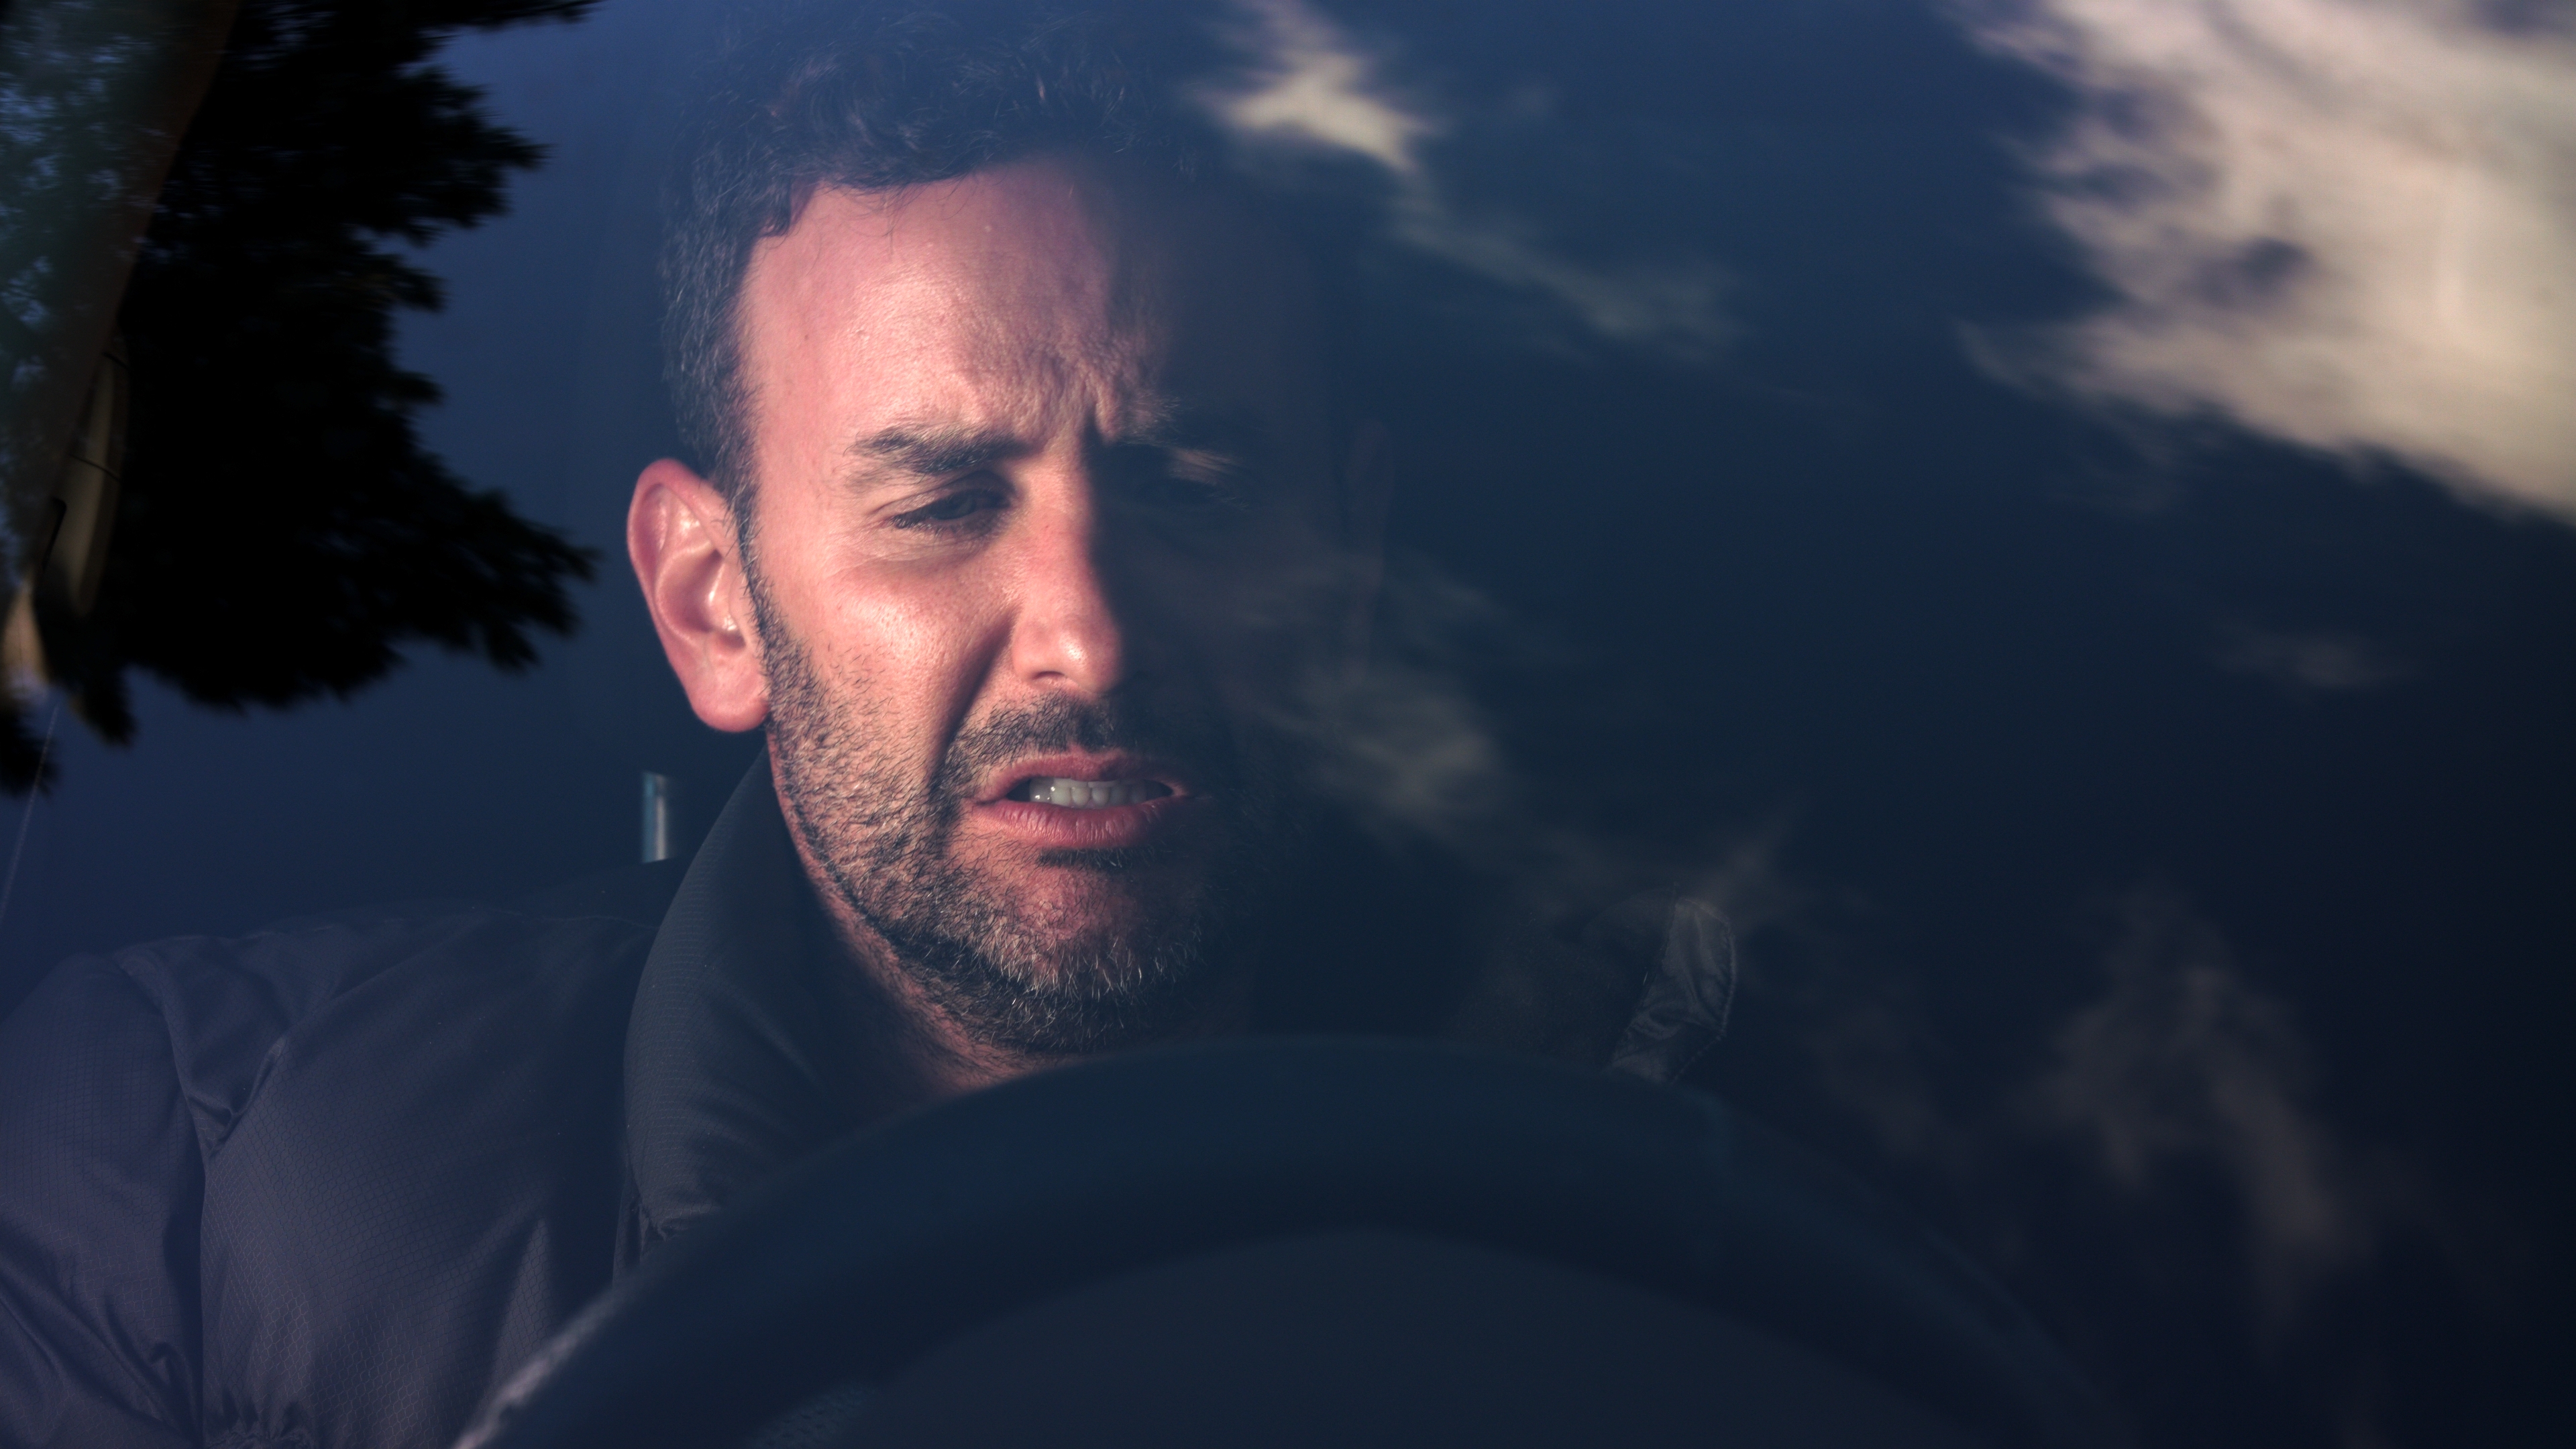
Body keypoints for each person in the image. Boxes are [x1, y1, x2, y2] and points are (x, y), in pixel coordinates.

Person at [0, 5, 1730, 1446]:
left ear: (1347, 564)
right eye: (944, 505)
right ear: (715, 605)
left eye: (1192, 490)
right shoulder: (190, 1178)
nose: (1088, 634)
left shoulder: (1682, 1222)